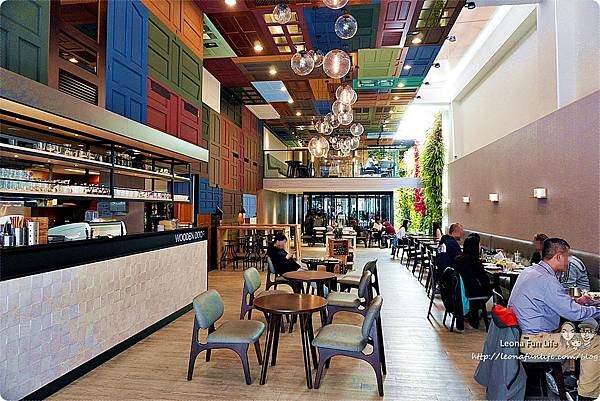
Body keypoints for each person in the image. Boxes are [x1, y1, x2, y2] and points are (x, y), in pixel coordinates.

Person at [508, 238, 600, 401]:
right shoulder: (547, 280)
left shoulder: (531, 271)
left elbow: (553, 299)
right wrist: (596, 310)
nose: (568, 260)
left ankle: (565, 377)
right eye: (567, 256)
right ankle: (585, 396)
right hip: (535, 342)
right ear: (558, 256)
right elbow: (574, 313)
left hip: (520, 335)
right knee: (595, 344)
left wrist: (576, 300)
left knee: (569, 327)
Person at [454, 236, 492, 328]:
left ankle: (474, 311)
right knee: (493, 289)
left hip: (460, 291)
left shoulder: (458, 259)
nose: (480, 246)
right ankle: (476, 311)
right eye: (479, 245)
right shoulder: (475, 261)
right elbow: (484, 280)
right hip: (470, 291)